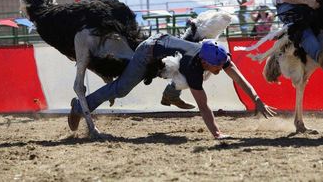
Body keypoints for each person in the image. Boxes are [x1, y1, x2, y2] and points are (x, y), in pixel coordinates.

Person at [68, 34, 276, 139]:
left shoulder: (216, 55)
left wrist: (256, 99)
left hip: (161, 48)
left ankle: (170, 94)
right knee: (121, 89)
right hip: (147, 53)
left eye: (223, 64)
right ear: (205, 62)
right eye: (218, 66)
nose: (222, 68)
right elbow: (203, 106)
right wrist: (217, 133)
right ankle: (79, 107)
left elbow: (238, 78)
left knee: (179, 81)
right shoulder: (193, 65)